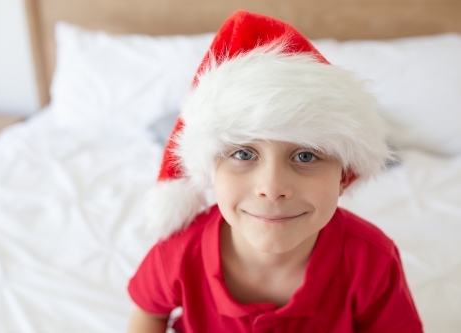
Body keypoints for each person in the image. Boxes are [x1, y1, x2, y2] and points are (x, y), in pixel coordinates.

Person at [127, 10, 423, 333]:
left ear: (344, 175)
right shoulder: (180, 250)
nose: (272, 186)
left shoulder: (372, 261)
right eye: (243, 153)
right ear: (211, 169)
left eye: (306, 156)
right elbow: (149, 313)